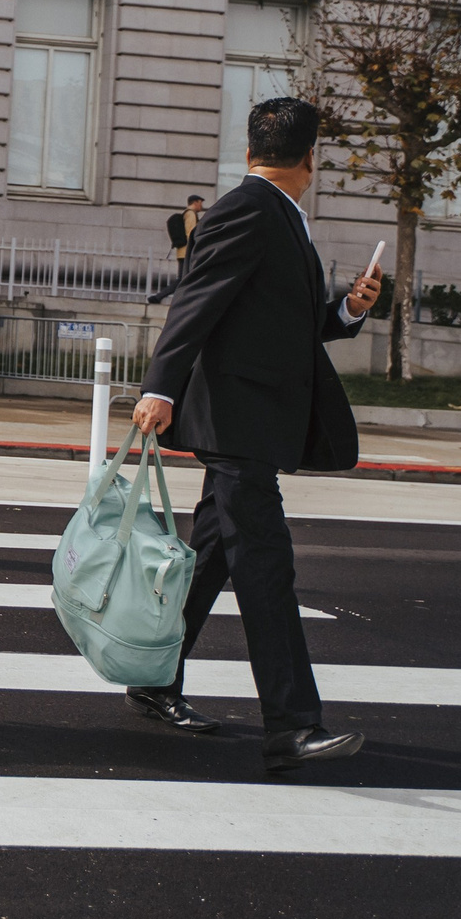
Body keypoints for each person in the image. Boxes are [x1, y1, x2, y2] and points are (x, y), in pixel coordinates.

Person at [126, 96, 382, 772]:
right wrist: (158, 386)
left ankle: (154, 678)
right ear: (311, 160)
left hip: (254, 420)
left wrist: (347, 310)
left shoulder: (277, 215)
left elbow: (280, 321)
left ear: (249, 151)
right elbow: (196, 298)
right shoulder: (248, 208)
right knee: (266, 566)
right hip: (239, 422)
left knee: (212, 555)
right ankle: (292, 724)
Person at [147, 194, 206, 304]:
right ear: (195, 202)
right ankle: (159, 297)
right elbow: (191, 233)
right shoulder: (190, 214)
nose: (201, 206)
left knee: (185, 279)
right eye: (200, 202)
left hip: (183, 252)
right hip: (187, 253)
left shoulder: (186, 213)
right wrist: (195, 249)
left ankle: (179, 300)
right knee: (183, 280)